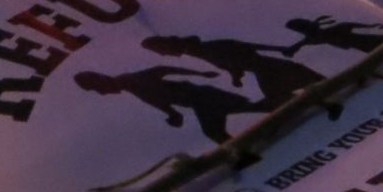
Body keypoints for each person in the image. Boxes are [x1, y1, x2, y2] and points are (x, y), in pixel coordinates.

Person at [74, 66, 270, 145]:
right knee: (243, 113)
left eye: (96, 87)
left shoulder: (134, 81)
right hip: (199, 101)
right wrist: (172, 114)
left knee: (215, 131)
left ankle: (246, 155)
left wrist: (200, 74)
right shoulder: (133, 87)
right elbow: (159, 100)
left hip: (203, 98)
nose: (101, 93)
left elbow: (163, 70)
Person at [140, 35, 321, 110]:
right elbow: (235, 62)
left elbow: (244, 49)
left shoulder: (210, 48)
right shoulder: (204, 53)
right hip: (266, 72)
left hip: (272, 70)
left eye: (162, 49)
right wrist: (236, 78)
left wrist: (279, 48)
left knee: (284, 101)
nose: (163, 54)